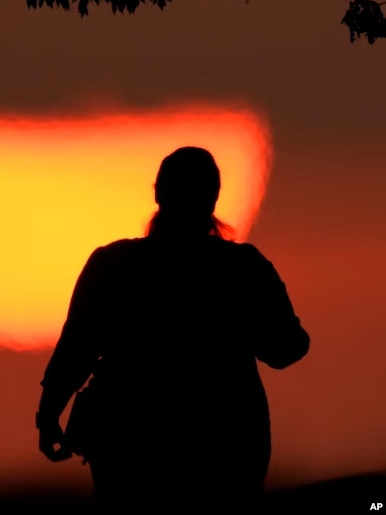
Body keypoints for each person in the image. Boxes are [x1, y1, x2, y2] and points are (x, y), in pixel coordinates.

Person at [34, 146, 310, 512]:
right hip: (225, 447)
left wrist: (49, 415)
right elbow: (286, 349)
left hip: (129, 448)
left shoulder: (112, 265)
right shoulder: (244, 269)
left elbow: (76, 349)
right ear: (212, 198)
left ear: (158, 194)